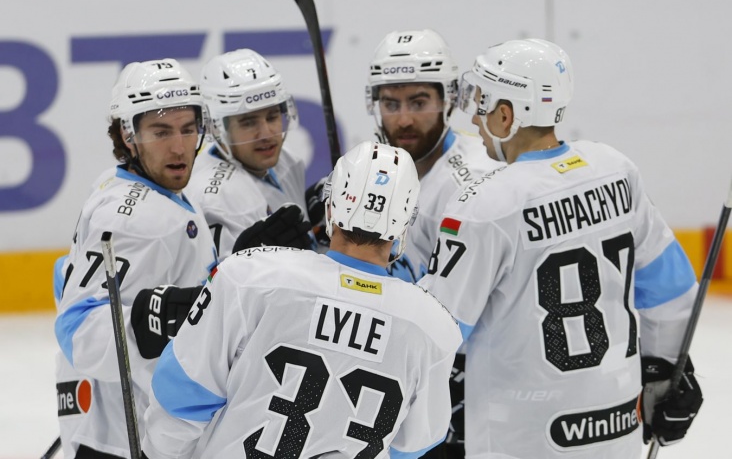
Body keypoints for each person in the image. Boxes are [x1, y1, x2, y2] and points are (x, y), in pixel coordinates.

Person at [420, 38, 703, 458]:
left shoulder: (485, 206)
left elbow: (434, 332)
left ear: (506, 115)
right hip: (617, 431)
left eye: (481, 105)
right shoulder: (615, 170)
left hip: (521, 441)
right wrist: (665, 371)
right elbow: (672, 288)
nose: (475, 119)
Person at [141, 141, 463, 459]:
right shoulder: (434, 326)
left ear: (331, 205)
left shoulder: (249, 276)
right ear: (405, 223)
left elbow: (182, 394)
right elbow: (412, 446)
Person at [54, 59, 218, 459]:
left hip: (138, 428)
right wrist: (144, 321)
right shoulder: (133, 219)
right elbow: (76, 330)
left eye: (187, 129)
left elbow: (64, 275)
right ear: (128, 135)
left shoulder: (135, 185)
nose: (179, 147)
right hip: (124, 439)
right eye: (161, 132)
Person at [364, 28, 503, 281]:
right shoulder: (379, 175)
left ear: (448, 100)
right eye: (391, 104)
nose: (404, 120)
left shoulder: (469, 186)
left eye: (418, 103)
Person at [186, 48, 312, 259]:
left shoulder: (287, 160)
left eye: (272, 117)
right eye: (249, 122)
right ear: (217, 128)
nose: (267, 134)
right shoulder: (213, 198)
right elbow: (217, 278)